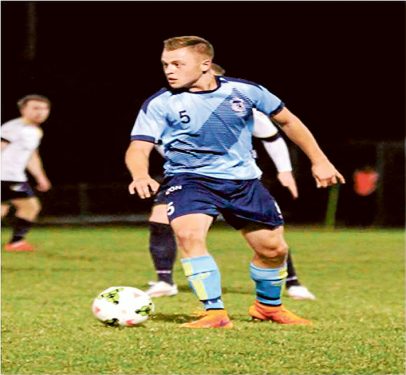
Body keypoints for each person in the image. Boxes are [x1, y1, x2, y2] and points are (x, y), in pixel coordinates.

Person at [125, 36, 344, 329]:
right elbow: (138, 147)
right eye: (165, 64)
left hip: (244, 182)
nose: (170, 70)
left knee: (273, 250)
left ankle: (268, 308)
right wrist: (140, 174)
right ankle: (214, 312)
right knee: (189, 235)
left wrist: (320, 160)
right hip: (190, 179)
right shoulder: (160, 103)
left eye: (178, 63)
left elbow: (289, 122)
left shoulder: (244, 91)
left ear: (205, 65)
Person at [145, 68, 315, 301]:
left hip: (236, 176)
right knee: (161, 220)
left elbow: (273, 136)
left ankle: (292, 282)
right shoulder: (168, 105)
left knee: (267, 231)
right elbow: (151, 142)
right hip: (187, 178)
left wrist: (285, 170)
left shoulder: (237, 103)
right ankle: (165, 281)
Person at [1, 94, 52, 251]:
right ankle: (16, 242)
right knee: (30, 206)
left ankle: (16, 242)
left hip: (13, 176)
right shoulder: (13, 128)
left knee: (4, 208)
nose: (40, 112)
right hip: (6, 176)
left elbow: (31, 155)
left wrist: (40, 177)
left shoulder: (35, 131)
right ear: (23, 110)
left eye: (44, 109)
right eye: (35, 108)